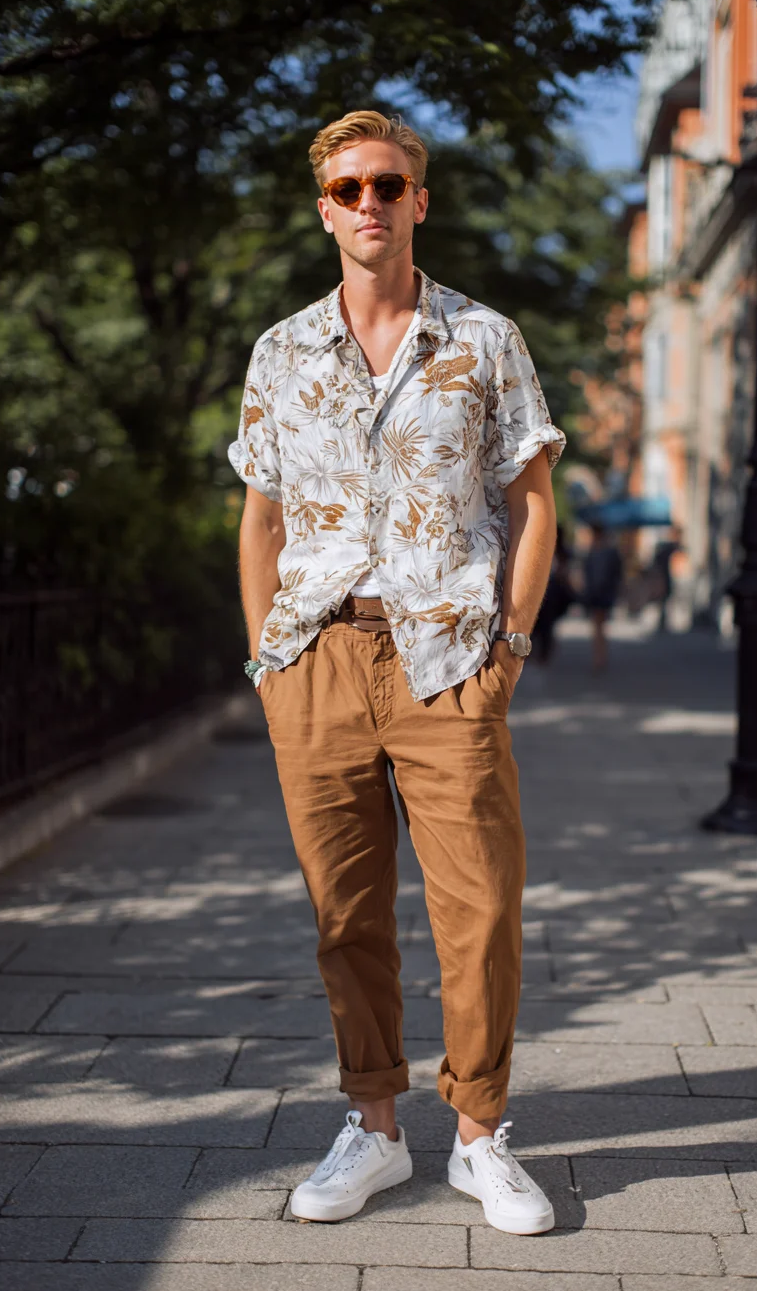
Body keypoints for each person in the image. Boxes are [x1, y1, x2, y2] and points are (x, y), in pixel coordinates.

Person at [230, 111, 565, 1234]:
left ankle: (479, 1138)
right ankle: (373, 1129)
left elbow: (531, 502)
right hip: (316, 659)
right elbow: (261, 516)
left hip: (449, 660)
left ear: (420, 200)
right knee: (346, 916)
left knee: (482, 911)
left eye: (386, 184)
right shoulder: (280, 352)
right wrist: (267, 662)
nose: (368, 203)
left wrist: (508, 647)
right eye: (347, 188)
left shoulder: (485, 340)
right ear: (323, 210)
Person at [532, 525, 575, 666]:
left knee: (545, 625)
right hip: (544, 591)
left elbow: (565, 574)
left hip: (552, 593)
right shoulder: (541, 547)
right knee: (538, 624)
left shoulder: (561, 553)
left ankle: (543, 653)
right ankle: (538, 652)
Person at [582, 524, 623, 673]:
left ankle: (599, 657)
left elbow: (615, 573)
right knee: (599, 627)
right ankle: (600, 657)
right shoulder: (598, 552)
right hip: (598, 593)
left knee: (599, 627)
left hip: (601, 593)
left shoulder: (599, 552)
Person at [652, 523, 681, 632]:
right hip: (663, 578)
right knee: (663, 601)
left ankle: (663, 621)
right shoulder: (667, 548)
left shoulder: (666, 548)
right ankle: (662, 622)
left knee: (664, 602)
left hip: (665, 578)